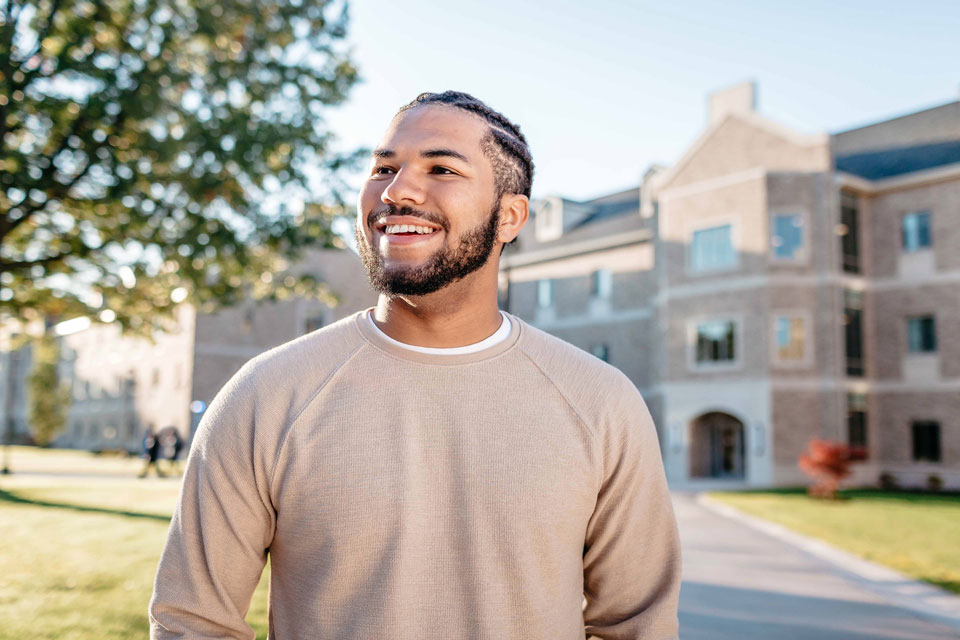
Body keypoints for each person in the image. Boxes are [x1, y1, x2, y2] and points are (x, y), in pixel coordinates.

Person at [150, 91, 681, 639]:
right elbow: (192, 622)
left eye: (442, 168)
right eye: (383, 167)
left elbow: (637, 625)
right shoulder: (267, 394)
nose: (397, 189)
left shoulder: (601, 403)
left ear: (510, 216)